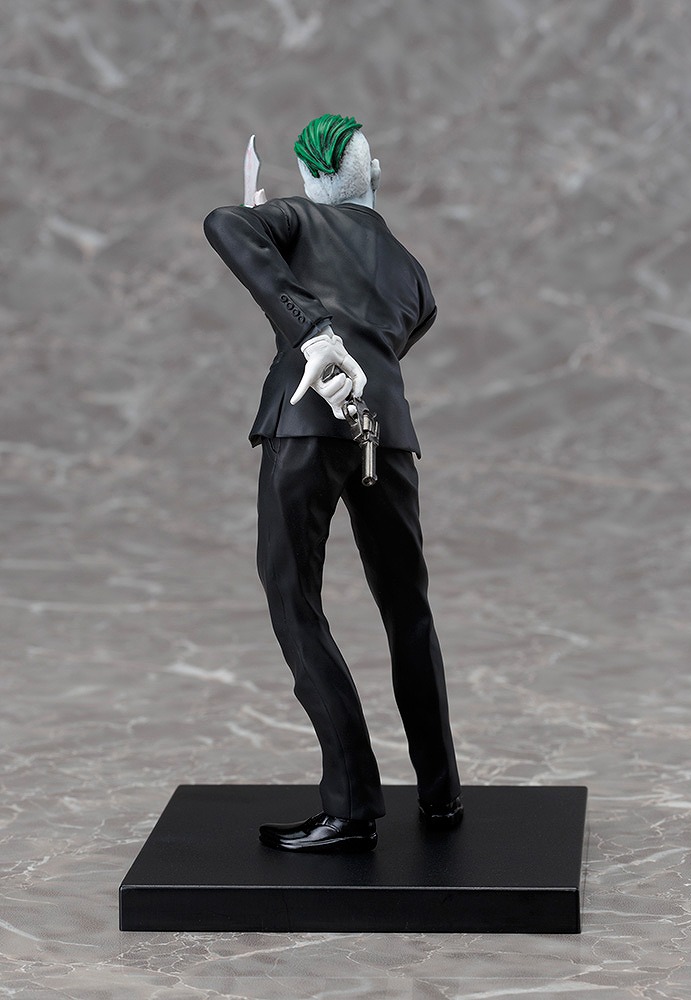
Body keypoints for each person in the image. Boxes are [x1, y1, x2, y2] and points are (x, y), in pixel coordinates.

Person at [203, 114, 461, 853]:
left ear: (311, 182)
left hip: (308, 422)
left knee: (294, 598)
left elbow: (224, 223)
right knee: (409, 609)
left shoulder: (294, 219)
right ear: (374, 176)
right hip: (386, 433)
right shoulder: (411, 270)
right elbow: (404, 332)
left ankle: (352, 804)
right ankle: (441, 793)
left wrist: (307, 320)